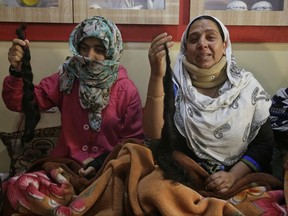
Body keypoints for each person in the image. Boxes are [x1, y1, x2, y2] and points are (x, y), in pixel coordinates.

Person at [143, 15, 274, 194]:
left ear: (225, 44)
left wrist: (233, 176)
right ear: (185, 48)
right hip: (182, 181)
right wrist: (156, 75)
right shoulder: (173, 85)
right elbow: (154, 136)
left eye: (210, 37)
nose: (202, 44)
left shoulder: (248, 89)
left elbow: (264, 145)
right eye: (194, 39)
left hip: (237, 181)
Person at [2, 16, 144, 176]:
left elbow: (133, 143)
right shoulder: (66, 78)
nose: (90, 56)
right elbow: (20, 103)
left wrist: (101, 162)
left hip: (108, 169)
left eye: (99, 49)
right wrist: (17, 70)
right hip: (64, 167)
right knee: (19, 189)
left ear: (111, 51)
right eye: (84, 48)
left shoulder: (126, 90)